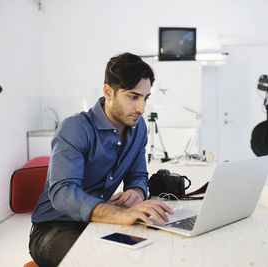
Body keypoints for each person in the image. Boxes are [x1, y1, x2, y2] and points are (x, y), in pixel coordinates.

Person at [29, 52, 173, 266]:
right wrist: (117, 214)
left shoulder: (138, 127)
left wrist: (137, 191)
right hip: (53, 228)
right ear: (108, 92)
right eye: (133, 96)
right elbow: (63, 192)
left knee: (152, 251)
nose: (141, 109)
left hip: (98, 221)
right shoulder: (75, 128)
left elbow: (138, 174)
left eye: (145, 97)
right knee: (103, 261)